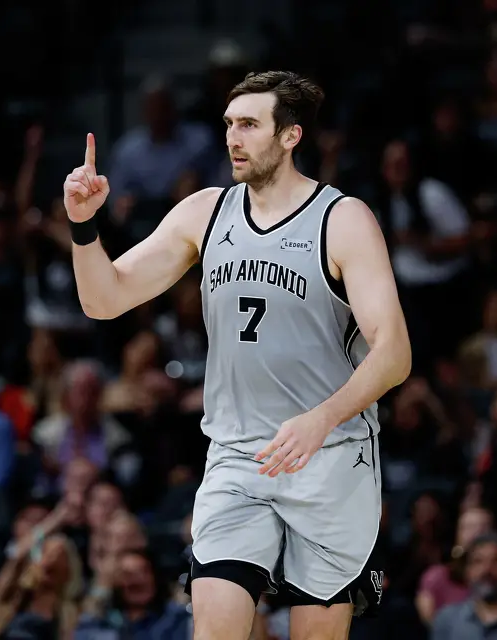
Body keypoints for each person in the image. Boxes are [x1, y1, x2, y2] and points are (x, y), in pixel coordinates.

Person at [63, 70, 412, 640]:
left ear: (290, 136)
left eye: (249, 125)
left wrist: (320, 419)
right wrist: (83, 226)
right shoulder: (205, 212)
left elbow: (394, 354)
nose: (233, 138)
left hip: (329, 455)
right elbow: (104, 300)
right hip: (236, 456)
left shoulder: (342, 219)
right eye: (228, 124)